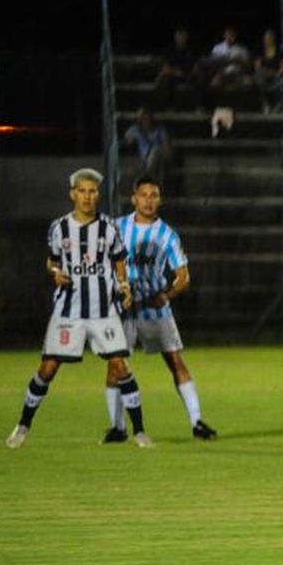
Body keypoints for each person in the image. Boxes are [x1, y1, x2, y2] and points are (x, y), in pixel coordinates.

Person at [6, 168, 150, 449]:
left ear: (98, 195)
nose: (87, 196)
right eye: (82, 191)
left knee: (120, 366)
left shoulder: (109, 228)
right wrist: (56, 272)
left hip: (103, 311)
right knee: (47, 369)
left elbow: (119, 259)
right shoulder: (59, 228)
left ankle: (140, 431)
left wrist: (124, 285)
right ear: (72, 194)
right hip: (68, 311)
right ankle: (23, 425)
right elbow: (52, 260)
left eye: (92, 191)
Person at [107, 177, 217, 442]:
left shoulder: (167, 234)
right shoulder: (117, 227)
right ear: (134, 198)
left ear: (160, 200)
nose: (148, 200)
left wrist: (166, 295)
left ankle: (197, 421)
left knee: (175, 360)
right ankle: (118, 427)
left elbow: (183, 276)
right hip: (124, 308)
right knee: (115, 365)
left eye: (154, 195)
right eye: (143, 195)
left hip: (154, 309)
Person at [123, 108, 171, 188]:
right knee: (153, 163)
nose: (145, 120)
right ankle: (154, 184)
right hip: (144, 157)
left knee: (156, 153)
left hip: (159, 156)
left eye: (147, 117)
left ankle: (147, 178)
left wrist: (163, 149)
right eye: (142, 118)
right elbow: (127, 141)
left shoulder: (159, 129)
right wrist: (130, 140)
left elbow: (166, 147)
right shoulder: (136, 129)